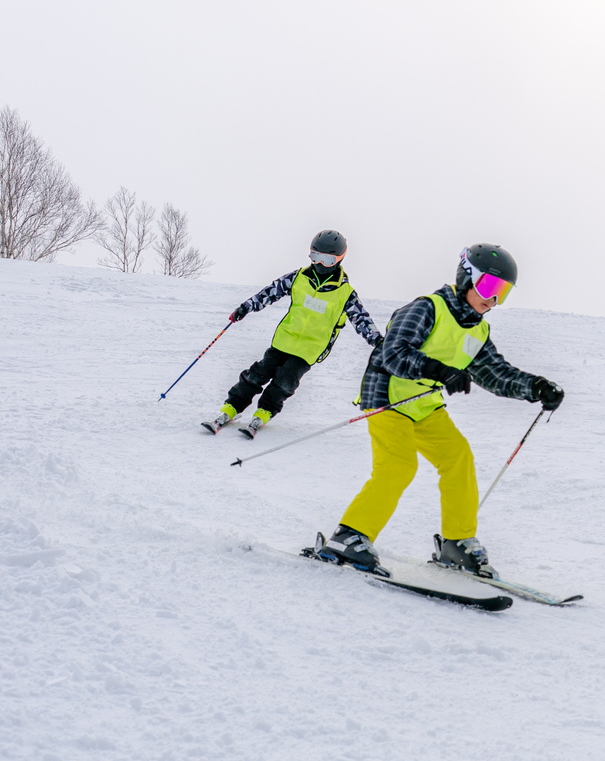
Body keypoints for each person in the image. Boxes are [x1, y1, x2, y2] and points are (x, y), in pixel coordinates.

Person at [320, 243, 565, 576]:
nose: (493, 300)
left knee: (458, 458)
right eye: (489, 287)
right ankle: (350, 535)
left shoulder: (477, 329)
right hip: (388, 398)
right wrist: (439, 370)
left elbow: (494, 373)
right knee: (399, 466)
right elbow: (392, 353)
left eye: (502, 293)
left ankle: (457, 542)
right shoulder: (428, 308)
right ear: (467, 278)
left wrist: (535, 387)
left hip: (425, 405)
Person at [202, 230, 383, 437]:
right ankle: (231, 408)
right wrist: (246, 307)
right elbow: (270, 292)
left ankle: (264, 412)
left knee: (285, 381)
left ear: (339, 259)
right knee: (258, 374)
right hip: (284, 339)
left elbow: (362, 319)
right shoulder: (298, 277)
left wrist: (377, 340)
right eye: (315, 257)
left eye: (327, 259)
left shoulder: (345, 293)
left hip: (310, 347)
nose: (320, 264)